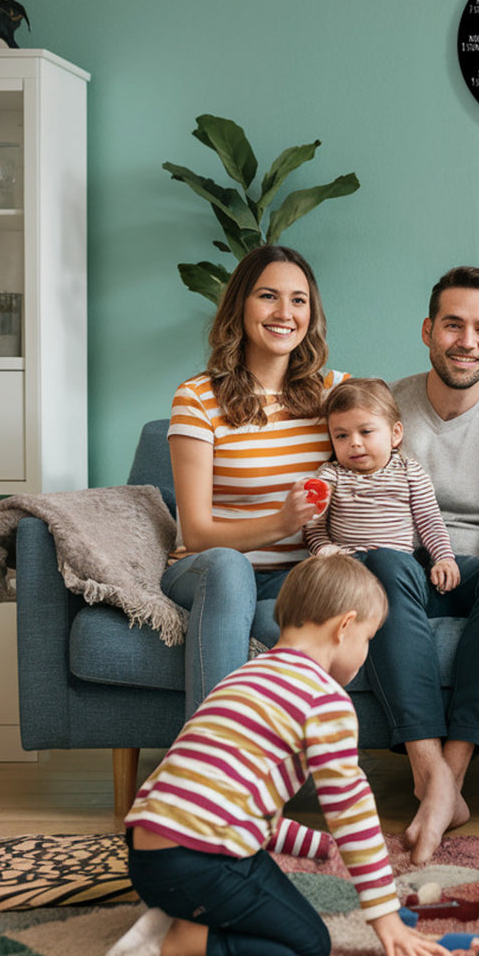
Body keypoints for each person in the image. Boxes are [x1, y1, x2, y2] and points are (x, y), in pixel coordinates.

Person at [91, 553, 451, 956]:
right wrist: (385, 916)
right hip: (197, 864)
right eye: (368, 638)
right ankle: (177, 941)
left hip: (147, 861)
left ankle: (181, 910)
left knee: (248, 876)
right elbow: (351, 811)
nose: (365, 652)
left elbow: (229, 801)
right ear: (345, 626)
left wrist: (312, 845)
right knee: (308, 945)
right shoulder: (324, 698)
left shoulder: (244, 677)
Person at [362, 266, 479, 865]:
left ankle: (452, 773)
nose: (465, 341)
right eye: (453, 324)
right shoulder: (386, 408)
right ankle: (431, 779)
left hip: (478, 574)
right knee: (387, 561)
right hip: (403, 567)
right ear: (428, 330)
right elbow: (362, 502)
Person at [162, 244, 348, 715]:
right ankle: (209, 764)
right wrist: (282, 522)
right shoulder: (198, 398)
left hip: (294, 578)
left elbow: (412, 414)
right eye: (268, 296)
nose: (285, 313)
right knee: (229, 567)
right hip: (207, 570)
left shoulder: (333, 393)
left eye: (299, 300)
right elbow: (199, 533)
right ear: (240, 306)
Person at [303, 377, 460, 594]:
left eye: (366, 432)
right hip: (347, 569)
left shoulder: (409, 472)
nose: (354, 443)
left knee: (391, 566)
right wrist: (325, 549)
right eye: (341, 436)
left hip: (397, 566)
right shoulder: (331, 476)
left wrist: (443, 558)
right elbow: (313, 526)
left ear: (395, 434)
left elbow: (430, 521)